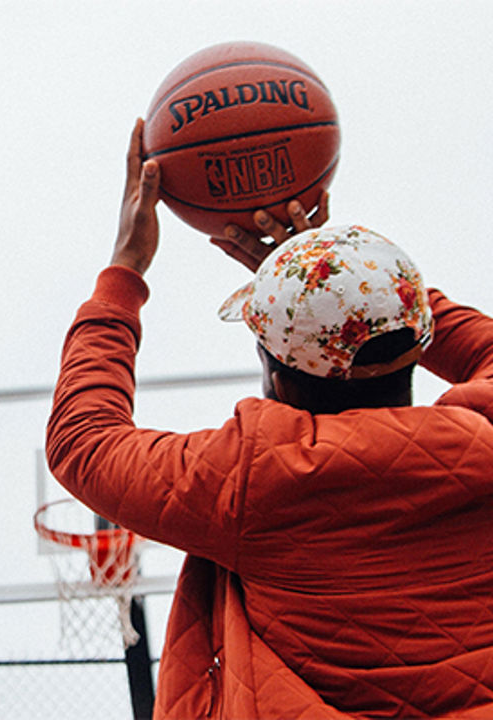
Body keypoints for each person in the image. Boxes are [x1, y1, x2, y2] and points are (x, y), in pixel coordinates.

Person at [45, 118, 493, 719]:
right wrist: (345, 270)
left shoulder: (251, 481)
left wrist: (125, 270)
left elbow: (86, 442)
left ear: (273, 369)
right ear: (418, 340)